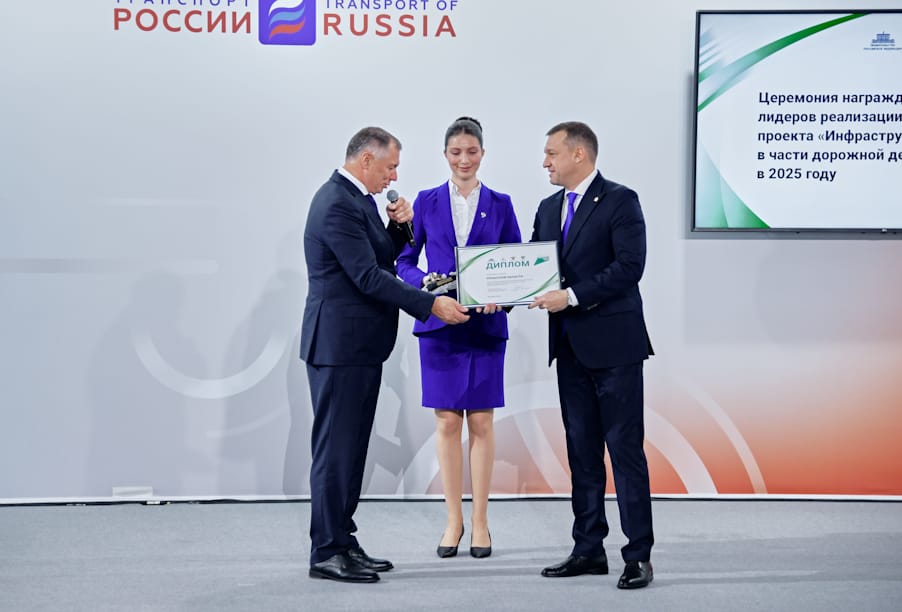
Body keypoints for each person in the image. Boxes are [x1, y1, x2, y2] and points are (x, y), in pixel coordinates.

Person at [300, 126, 470, 584]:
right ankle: (326, 551)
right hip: (338, 347)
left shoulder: (358, 201)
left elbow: (380, 259)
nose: (394, 176)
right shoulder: (336, 202)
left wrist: (398, 228)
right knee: (336, 451)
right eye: (390, 167)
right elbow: (367, 278)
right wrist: (430, 304)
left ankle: (343, 540)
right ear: (366, 160)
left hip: (359, 347)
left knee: (352, 450)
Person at [528, 121, 655, 589]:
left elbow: (630, 267)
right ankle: (587, 549)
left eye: (551, 153)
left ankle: (638, 556)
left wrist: (573, 296)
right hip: (569, 349)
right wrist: (495, 292)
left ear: (578, 154)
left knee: (624, 451)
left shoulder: (620, 200)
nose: (545, 161)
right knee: (581, 453)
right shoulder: (547, 208)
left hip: (615, 348)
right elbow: (531, 268)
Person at [396, 117, 521, 559]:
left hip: (485, 327)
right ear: (445, 154)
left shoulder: (501, 204)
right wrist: (427, 286)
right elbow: (404, 261)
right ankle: (453, 520)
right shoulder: (425, 202)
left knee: (482, 422)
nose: (463, 160)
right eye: (456, 152)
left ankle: (481, 521)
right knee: (447, 422)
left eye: (471, 152)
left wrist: (502, 299)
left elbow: (516, 264)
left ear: (482, 153)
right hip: (440, 325)